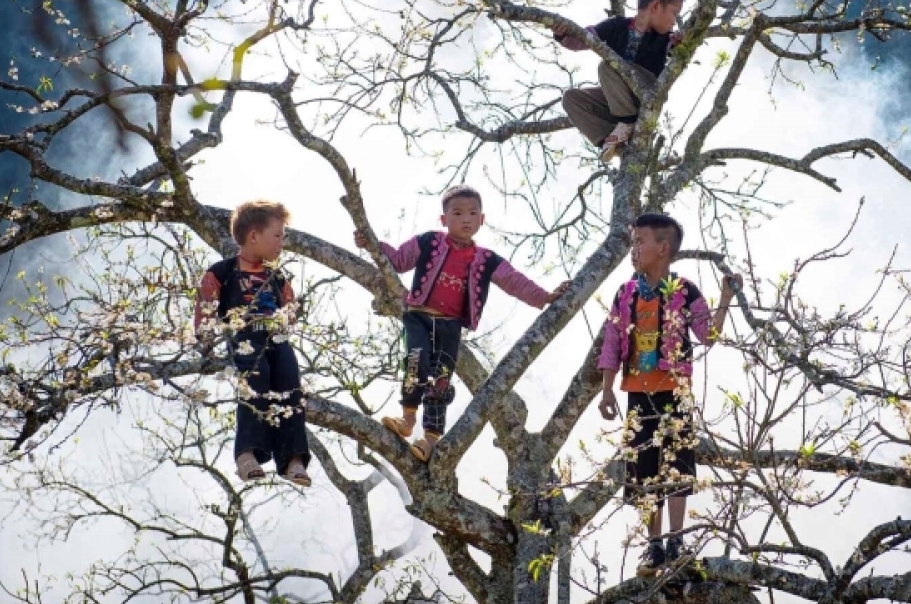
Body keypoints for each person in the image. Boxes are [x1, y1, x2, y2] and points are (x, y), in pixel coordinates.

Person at [354, 185, 571, 462]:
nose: (465, 219)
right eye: (457, 213)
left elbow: (514, 281)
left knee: (441, 379)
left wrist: (545, 296)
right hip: (419, 316)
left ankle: (430, 439)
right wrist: (371, 244)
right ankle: (407, 418)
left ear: (482, 219)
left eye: (472, 213)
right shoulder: (429, 241)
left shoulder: (486, 260)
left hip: (450, 326)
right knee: (415, 361)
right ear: (444, 220)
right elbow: (397, 260)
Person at [597, 213, 739, 576]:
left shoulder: (684, 290)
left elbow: (708, 335)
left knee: (677, 464)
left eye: (639, 242)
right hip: (637, 394)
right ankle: (653, 545)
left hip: (674, 390)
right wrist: (607, 389)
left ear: (663, 249)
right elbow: (612, 342)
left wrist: (724, 298)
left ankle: (677, 540)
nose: (634, 249)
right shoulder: (625, 293)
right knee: (644, 470)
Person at [194, 200, 311, 487]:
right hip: (245, 336)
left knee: (291, 387)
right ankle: (247, 454)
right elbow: (206, 303)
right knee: (254, 383)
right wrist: (205, 337)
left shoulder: (276, 275)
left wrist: (290, 314)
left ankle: (293, 458)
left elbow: (290, 307)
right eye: (277, 235)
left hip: (277, 338)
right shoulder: (222, 271)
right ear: (254, 236)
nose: (281, 243)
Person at [555, 0, 685, 162]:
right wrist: (562, 34)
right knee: (571, 98)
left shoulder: (665, 39)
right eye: (674, 13)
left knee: (610, 65)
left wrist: (681, 44)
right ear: (656, 6)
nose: (675, 20)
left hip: (647, 93)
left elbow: (675, 50)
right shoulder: (617, 26)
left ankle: (627, 122)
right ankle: (613, 141)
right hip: (618, 100)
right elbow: (582, 39)